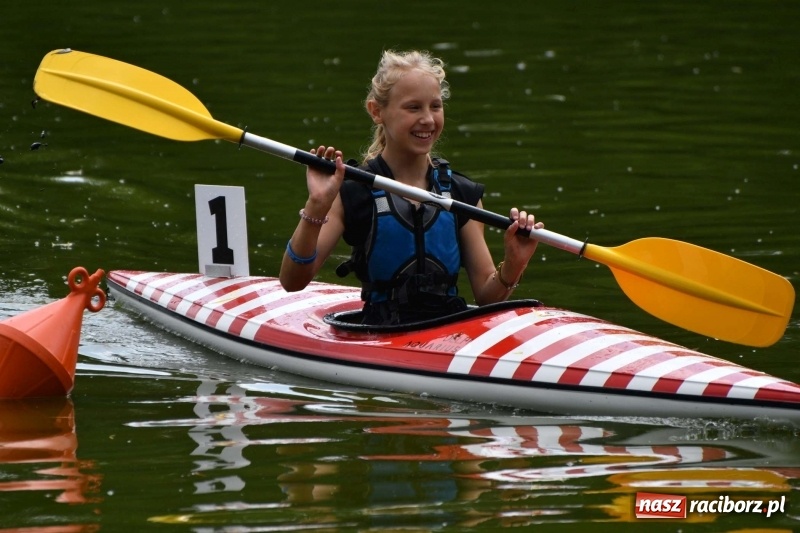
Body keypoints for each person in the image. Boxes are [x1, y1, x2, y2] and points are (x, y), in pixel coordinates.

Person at [279, 50, 543, 325]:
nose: (428, 119)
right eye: (413, 107)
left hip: (447, 332)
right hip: (379, 333)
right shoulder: (352, 192)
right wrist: (317, 203)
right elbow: (292, 281)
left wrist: (514, 263)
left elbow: (488, 298)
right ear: (377, 112)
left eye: (435, 106)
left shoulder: (461, 194)